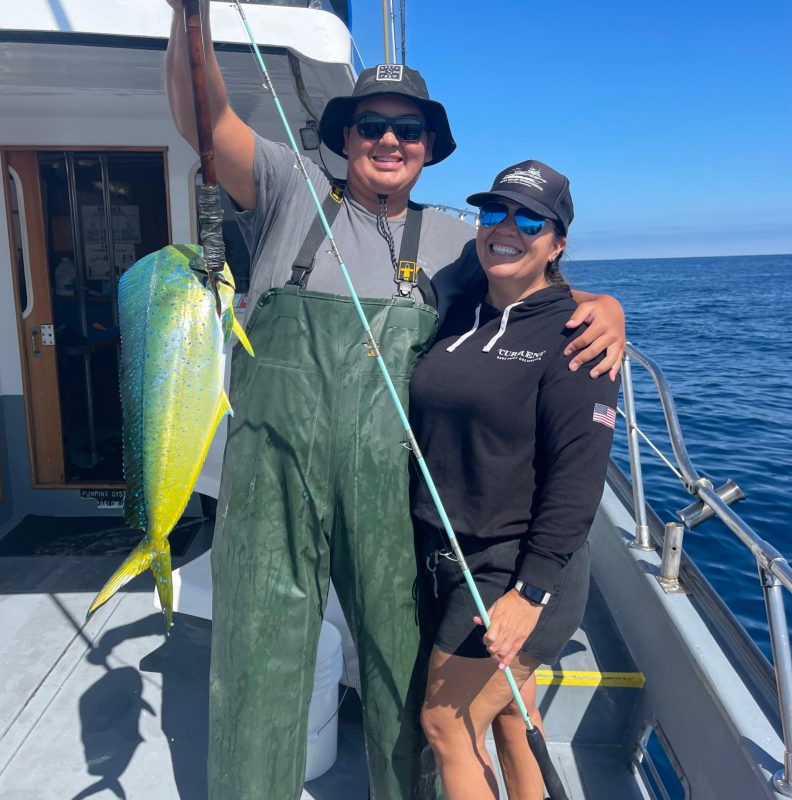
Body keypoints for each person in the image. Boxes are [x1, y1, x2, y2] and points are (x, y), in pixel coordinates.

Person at [165, 3, 625, 797]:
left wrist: (608, 307)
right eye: (371, 124)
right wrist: (189, 18)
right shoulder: (285, 190)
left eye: (406, 131)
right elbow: (204, 119)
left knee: (399, 670)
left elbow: (537, 286)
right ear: (344, 139)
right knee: (257, 659)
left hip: (393, 498)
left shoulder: (456, 241)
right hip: (271, 483)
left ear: (428, 151)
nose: (387, 140)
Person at [411, 160, 620, 800]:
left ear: (557, 243)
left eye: (530, 219)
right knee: (507, 715)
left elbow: (578, 482)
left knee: (446, 727)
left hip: (513, 569)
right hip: (449, 554)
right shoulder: (465, 310)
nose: (507, 228)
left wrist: (528, 593)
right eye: (494, 213)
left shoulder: (575, 337)